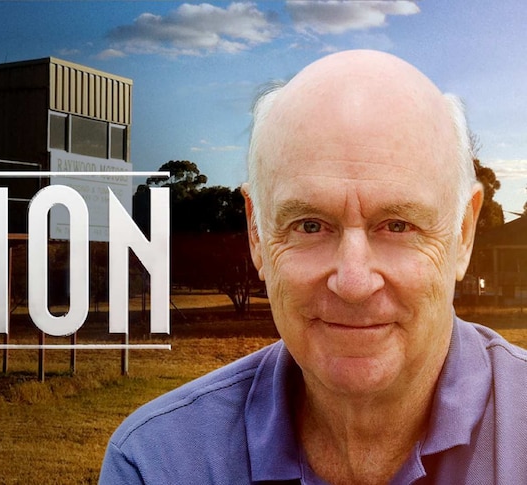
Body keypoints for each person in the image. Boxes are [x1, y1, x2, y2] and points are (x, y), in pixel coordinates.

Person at [99, 50, 527, 484]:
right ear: (257, 233)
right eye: (309, 225)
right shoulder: (157, 464)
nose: (354, 282)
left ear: (464, 234)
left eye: (397, 225)